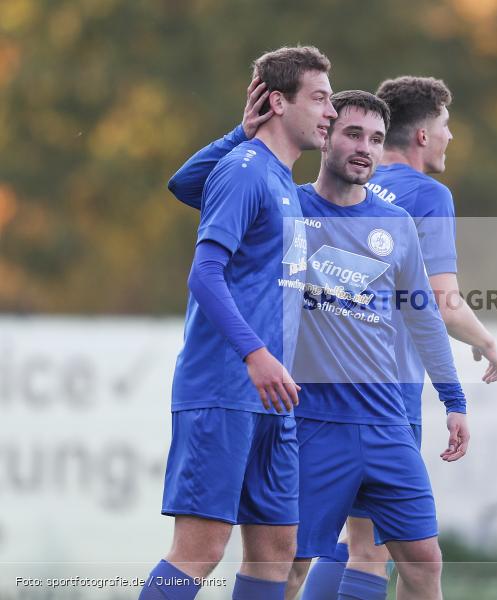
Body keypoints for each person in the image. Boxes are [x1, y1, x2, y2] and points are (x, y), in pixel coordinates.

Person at [168, 90, 466, 600]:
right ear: (324, 136)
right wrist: (241, 133)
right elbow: (188, 185)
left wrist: (454, 399)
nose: (365, 149)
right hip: (309, 423)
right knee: (286, 565)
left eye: (375, 139)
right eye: (353, 134)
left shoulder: (395, 225)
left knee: (423, 562)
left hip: (387, 423)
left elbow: (423, 315)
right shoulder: (286, 207)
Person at [140, 46, 337, 600]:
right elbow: (205, 276)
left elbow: (185, 187)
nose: (330, 112)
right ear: (278, 101)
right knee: (199, 551)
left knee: (277, 551)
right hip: (227, 387)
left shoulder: (275, 179)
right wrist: (256, 353)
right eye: (320, 98)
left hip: (274, 398)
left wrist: (238, 133)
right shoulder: (247, 171)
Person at [300, 75, 497, 600]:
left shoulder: (361, 194)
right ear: (421, 135)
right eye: (445, 126)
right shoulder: (429, 196)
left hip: (325, 393)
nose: (449, 138)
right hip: (387, 396)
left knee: (348, 543)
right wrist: (487, 341)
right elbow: (440, 304)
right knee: (369, 550)